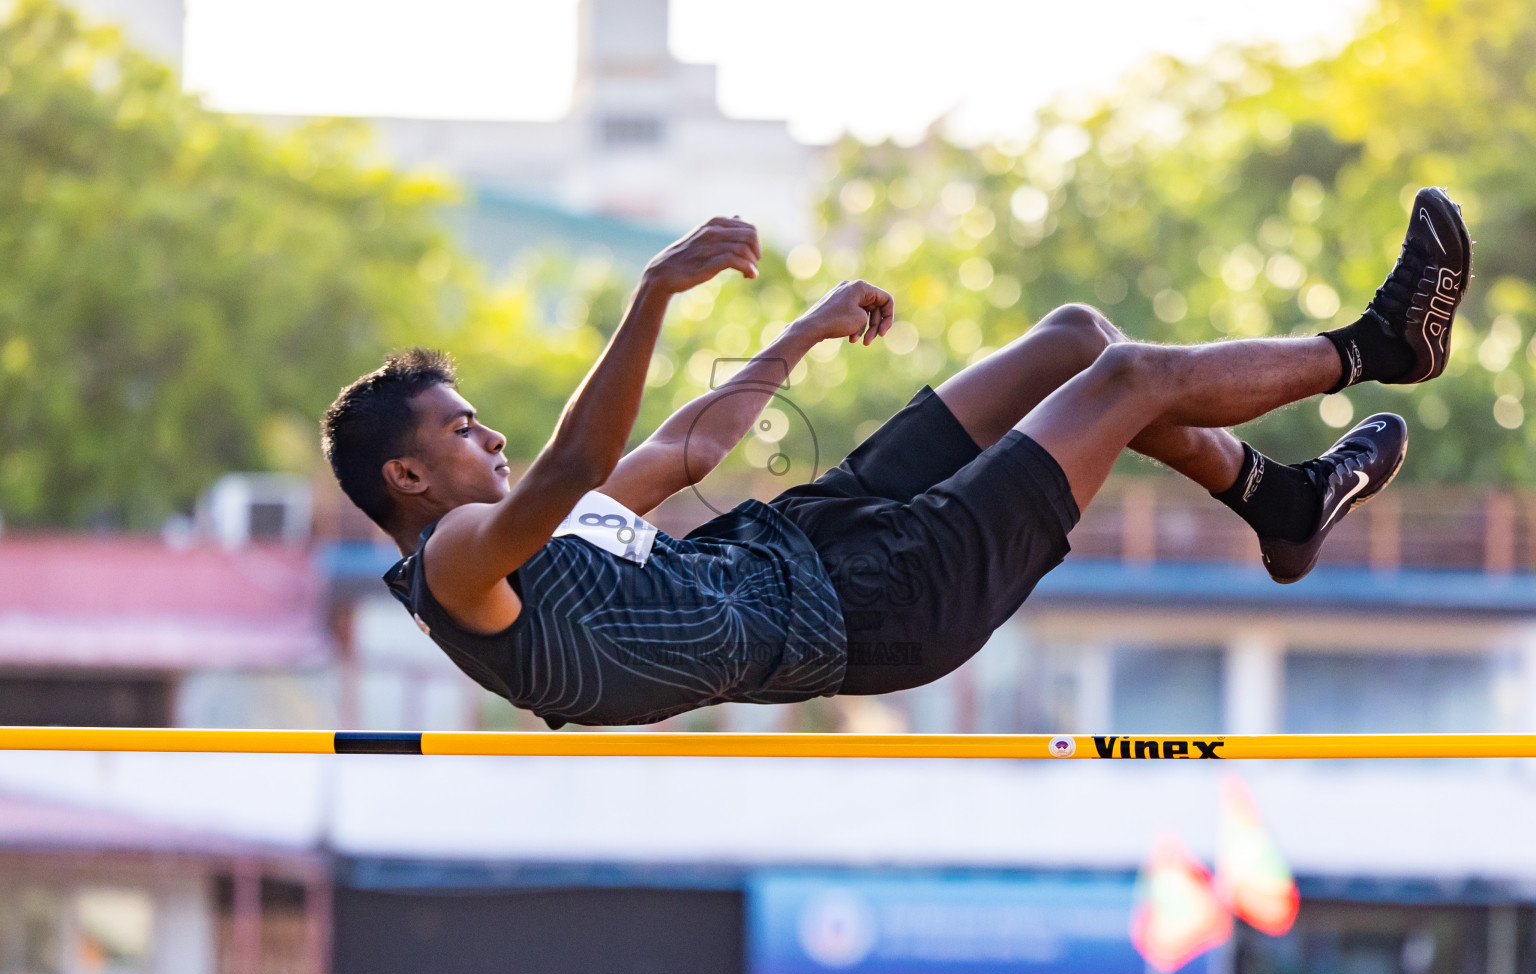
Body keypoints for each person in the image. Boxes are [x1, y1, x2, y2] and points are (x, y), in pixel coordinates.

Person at [322, 188, 1470, 729]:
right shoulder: (460, 564)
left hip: (821, 532)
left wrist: (803, 332)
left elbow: (691, 445)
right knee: (1120, 387)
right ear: (409, 479)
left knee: (1073, 339)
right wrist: (653, 291)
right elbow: (578, 461)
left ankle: (1280, 501)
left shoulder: (527, 535)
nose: (493, 437)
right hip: (877, 607)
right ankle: (1378, 346)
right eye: (463, 430)